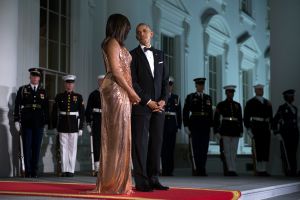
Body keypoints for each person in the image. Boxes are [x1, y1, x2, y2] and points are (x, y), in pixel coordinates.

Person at [91, 14, 140, 194]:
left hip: (123, 91)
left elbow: (125, 73)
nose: (128, 31)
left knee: (122, 135)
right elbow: (117, 72)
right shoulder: (111, 42)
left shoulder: (119, 44)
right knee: (117, 136)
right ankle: (113, 182)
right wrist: (132, 93)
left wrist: (131, 95)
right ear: (119, 26)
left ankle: (120, 181)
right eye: (126, 27)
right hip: (117, 90)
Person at [131, 23, 169, 192]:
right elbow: (133, 82)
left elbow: (164, 81)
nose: (142, 34)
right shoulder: (133, 55)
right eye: (138, 32)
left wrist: (163, 100)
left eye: (144, 31)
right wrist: (147, 101)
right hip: (141, 106)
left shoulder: (160, 54)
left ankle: (154, 178)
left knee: (156, 142)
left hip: (159, 106)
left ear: (151, 33)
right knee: (140, 143)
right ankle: (141, 181)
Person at [14, 68, 49, 178]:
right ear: (30, 77)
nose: (35, 78)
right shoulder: (23, 89)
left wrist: (46, 122)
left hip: (39, 123)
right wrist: (16, 120)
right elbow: (17, 105)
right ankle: (27, 170)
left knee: (36, 147)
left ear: (39, 78)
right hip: (27, 122)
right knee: (27, 146)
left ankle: (34, 171)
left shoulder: (43, 91)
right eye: (33, 76)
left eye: (37, 76)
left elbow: (46, 108)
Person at [52, 75, 85, 177]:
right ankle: (64, 169)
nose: (69, 85)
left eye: (71, 83)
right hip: (62, 124)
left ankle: (71, 170)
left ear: (73, 85)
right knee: (63, 148)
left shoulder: (79, 97)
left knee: (72, 148)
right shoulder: (59, 96)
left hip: (74, 125)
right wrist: (54, 126)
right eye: (67, 83)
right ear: (65, 84)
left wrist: (80, 128)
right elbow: (54, 112)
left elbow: (82, 113)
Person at [183, 78, 213, 176]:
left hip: (205, 125)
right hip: (194, 124)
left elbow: (210, 113)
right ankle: (196, 168)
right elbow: (185, 111)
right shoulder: (191, 97)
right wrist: (186, 125)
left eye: (202, 85)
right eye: (199, 85)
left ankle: (202, 168)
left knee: (204, 148)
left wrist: (211, 127)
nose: (201, 86)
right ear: (196, 86)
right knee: (195, 148)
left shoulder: (208, 98)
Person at [244, 84, 273, 176]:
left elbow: (270, 117)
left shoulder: (267, 102)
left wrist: (271, 127)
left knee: (265, 148)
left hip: (265, 126)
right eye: (259, 89)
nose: (261, 91)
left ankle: (263, 169)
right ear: (255, 91)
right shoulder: (250, 102)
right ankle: (259, 169)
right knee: (258, 148)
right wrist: (248, 128)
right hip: (256, 126)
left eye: (262, 89)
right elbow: (246, 117)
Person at [214, 85, 243, 176]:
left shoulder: (237, 105)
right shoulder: (221, 105)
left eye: (232, 92)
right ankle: (229, 169)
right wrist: (216, 131)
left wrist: (241, 130)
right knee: (227, 151)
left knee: (233, 151)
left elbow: (240, 119)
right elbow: (216, 119)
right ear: (226, 93)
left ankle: (233, 169)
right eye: (229, 92)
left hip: (235, 129)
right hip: (225, 129)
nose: (231, 94)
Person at [273, 89, 299, 176]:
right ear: (286, 97)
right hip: (285, 134)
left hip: (294, 134)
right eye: (290, 96)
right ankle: (287, 171)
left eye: (293, 96)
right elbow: (274, 121)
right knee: (285, 153)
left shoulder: (295, 108)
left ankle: (293, 171)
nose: (292, 97)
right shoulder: (282, 108)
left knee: (293, 153)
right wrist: (277, 133)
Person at [161, 76, 182, 176]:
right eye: (167, 85)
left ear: (172, 86)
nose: (169, 87)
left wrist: (179, 126)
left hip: (172, 125)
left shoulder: (176, 98)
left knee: (171, 148)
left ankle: (170, 170)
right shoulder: (161, 97)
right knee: (163, 148)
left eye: (170, 85)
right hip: (163, 125)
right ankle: (164, 169)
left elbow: (179, 113)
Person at [85, 75, 105, 176]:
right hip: (97, 119)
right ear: (98, 82)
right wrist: (88, 122)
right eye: (100, 81)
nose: (102, 82)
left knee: (106, 144)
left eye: (103, 80)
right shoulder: (93, 94)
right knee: (96, 143)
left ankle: (106, 166)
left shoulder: (110, 94)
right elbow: (88, 109)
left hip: (107, 121)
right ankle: (97, 167)